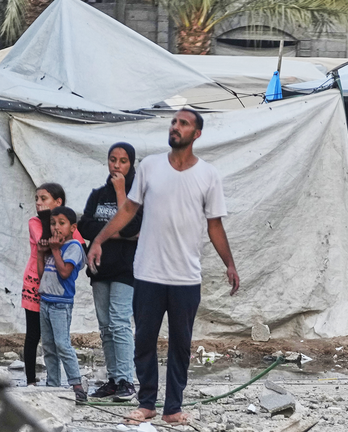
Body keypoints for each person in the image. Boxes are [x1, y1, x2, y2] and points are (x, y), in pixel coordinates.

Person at [86, 108, 241, 425]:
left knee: (180, 346)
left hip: (185, 276)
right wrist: (98, 239)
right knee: (144, 341)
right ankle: (146, 403)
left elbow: (214, 226)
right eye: (174, 121)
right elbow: (129, 208)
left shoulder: (207, 175)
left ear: (196, 134)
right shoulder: (150, 167)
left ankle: (172, 408)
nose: (176, 126)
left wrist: (230, 264)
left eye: (184, 123)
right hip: (147, 273)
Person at [79, 143, 143, 401]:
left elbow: (131, 227)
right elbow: (84, 226)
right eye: (113, 160)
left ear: (131, 164)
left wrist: (120, 191)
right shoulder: (97, 194)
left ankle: (127, 380)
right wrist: (116, 233)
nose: (117, 165)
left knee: (119, 323)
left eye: (123, 161)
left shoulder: (137, 195)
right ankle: (114, 380)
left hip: (126, 269)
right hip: (100, 269)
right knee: (105, 327)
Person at [21, 184, 84, 387]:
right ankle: (37, 382)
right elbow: (44, 243)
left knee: (60, 343)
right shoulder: (35, 221)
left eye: (44, 198)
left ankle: (73, 384)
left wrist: (58, 243)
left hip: (59, 297)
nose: (38, 203)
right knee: (37, 337)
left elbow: (77, 244)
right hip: (38, 285)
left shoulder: (68, 236)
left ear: (58, 202)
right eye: (36, 199)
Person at [37, 206, 87, 402]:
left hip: (60, 304)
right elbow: (43, 276)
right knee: (48, 346)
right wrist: (42, 253)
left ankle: (76, 384)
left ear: (72, 227)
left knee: (62, 344)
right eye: (52, 223)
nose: (56, 227)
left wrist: (55, 250)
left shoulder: (73, 247)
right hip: (46, 301)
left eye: (61, 223)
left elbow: (65, 272)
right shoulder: (52, 248)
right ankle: (53, 385)